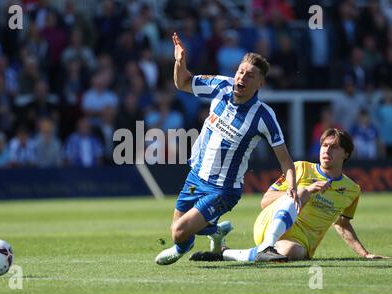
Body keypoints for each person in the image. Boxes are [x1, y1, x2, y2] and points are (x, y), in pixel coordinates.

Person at [155, 32, 300, 265]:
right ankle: (205, 236)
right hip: (196, 176)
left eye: (250, 75)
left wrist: (291, 186)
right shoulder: (220, 86)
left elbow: (285, 159)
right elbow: (182, 83)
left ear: (260, 84)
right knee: (179, 231)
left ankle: (194, 239)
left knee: (179, 230)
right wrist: (180, 61)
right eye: (240, 71)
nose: (241, 77)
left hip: (223, 188)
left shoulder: (264, 116)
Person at [190, 128, 390, 262]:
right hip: (270, 225)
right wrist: (299, 192)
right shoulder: (300, 168)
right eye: (324, 145)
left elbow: (342, 223)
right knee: (301, 190)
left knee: (288, 254)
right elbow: (265, 201)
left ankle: (223, 253)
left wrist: (365, 254)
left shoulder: (352, 190)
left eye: (334, 147)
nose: (326, 150)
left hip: (299, 243)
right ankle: (268, 243)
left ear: (346, 154)